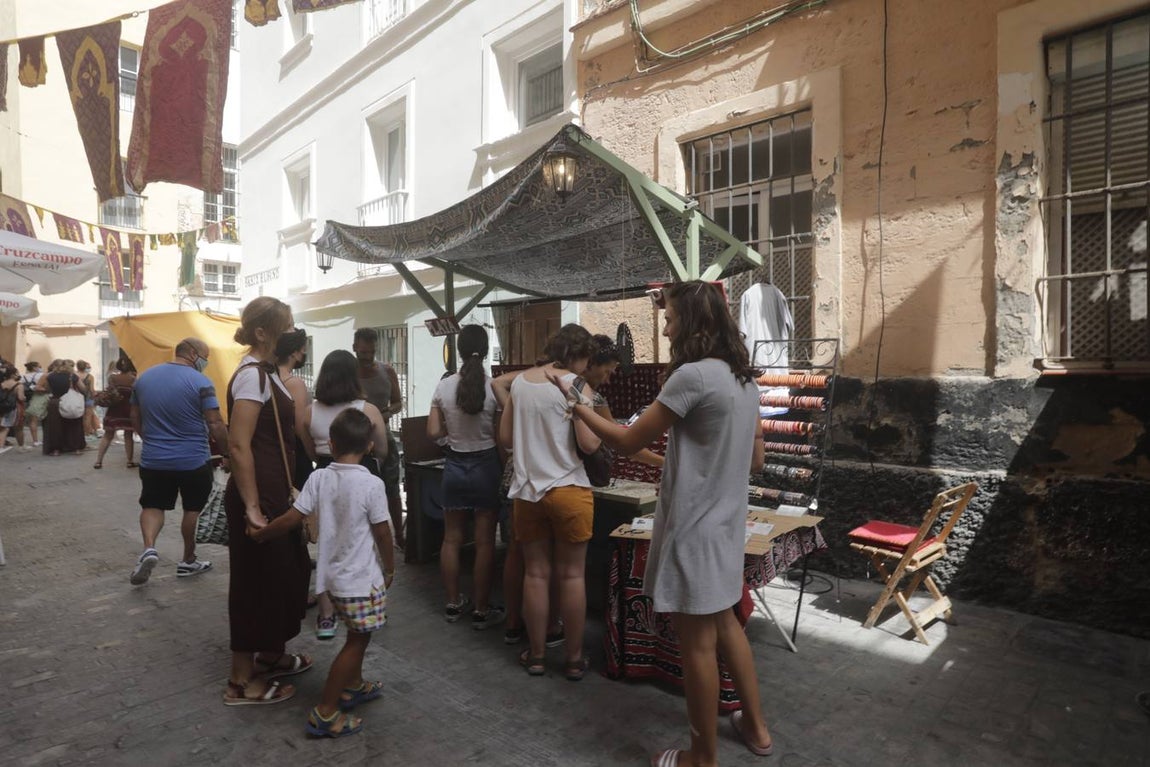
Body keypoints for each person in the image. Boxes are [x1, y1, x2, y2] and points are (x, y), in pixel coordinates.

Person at [547, 281, 771, 767]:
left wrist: (577, 404)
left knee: (698, 646)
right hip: (727, 527)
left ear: (693, 322)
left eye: (670, 319)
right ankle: (755, 727)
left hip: (695, 530)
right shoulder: (744, 380)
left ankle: (702, 757)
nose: (665, 328)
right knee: (727, 626)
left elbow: (627, 442)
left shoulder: (692, 376)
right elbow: (755, 460)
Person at [249, 408, 395, 738]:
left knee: (357, 634)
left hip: (332, 581)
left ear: (331, 443)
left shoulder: (318, 477)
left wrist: (263, 533)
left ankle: (353, 686)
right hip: (361, 582)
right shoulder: (372, 484)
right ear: (369, 446)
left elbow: (292, 518)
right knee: (357, 640)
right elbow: (383, 532)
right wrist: (389, 566)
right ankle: (326, 712)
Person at [223, 296, 312, 706]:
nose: (292, 332)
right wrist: (253, 506)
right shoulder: (251, 377)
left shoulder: (267, 373)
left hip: (275, 493)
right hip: (259, 496)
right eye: (286, 325)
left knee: (284, 575)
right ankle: (241, 680)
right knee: (254, 582)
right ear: (262, 332)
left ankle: (272, 653)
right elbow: (239, 444)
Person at [497, 323, 599, 680]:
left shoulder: (521, 383)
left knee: (536, 574)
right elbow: (589, 444)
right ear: (579, 356)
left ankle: (537, 656)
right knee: (572, 576)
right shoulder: (576, 384)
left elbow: (505, 437)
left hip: (528, 493)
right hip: (569, 490)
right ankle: (573, 660)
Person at [303, 349, 391, 640]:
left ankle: (326, 615)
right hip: (362, 470)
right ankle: (367, 600)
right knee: (365, 540)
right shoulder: (368, 410)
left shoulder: (309, 411)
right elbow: (382, 449)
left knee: (328, 540)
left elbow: (310, 450)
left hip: (326, 472)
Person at [127, 339, 229, 585]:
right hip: (193, 459)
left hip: (154, 459)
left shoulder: (144, 378)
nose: (206, 362)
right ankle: (188, 560)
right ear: (193, 354)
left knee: (152, 505)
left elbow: (134, 416)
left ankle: (149, 548)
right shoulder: (201, 382)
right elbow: (215, 422)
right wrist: (227, 452)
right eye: (205, 356)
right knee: (193, 508)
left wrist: (149, 439)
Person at [427, 325, 505, 629]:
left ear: (458, 351)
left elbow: (433, 431)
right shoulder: (493, 388)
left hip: (455, 466)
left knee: (451, 539)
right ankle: (481, 610)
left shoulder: (444, 386)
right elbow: (501, 437)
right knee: (485, 543)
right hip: (486, 466)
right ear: (485, 351)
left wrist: (450, 440)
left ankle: (452, 602)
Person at [352, 328, 406, 549]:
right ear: (354, 348)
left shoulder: (387, 371)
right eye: (363, 353)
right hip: (356, 438)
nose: (367, 357)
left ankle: (399, 536)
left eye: (371, 352)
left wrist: (386, 412)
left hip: (384, 436)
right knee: (359, 493)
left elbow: (398, 402)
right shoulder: (348, 373)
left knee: (392, 489)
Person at [582, 335, 665, 469]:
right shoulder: (593, 399)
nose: (607, 380)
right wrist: (664, 462)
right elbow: (621, 442)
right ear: (591, 364)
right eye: (607, 372)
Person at [274, 328, 313, 490]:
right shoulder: (294, 383)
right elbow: (300, 426)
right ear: (294, 353)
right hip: (294, 452)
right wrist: (312, 453)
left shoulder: (269, 376)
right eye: (303, 349)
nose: (304, 353)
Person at [93, 356, 138, 469]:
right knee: (128, 435)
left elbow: (110, 391)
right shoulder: (133, 379)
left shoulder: (112, 378)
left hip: (114, 409)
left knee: (108, 435)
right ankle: (129, 461)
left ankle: (98, 461)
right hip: (128, 409)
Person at [39, 359, 86, 456]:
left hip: (55, 402)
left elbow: (48, 389)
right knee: (74, 425)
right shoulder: (72, 376)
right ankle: (76, 448)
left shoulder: (50, 376)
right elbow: (83, 388)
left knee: (55, 427)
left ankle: (56, 450)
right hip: (70, 402)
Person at [0, 365, 26, 454]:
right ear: (12, 374)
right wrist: (25, 398)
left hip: (3, 407)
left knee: (3, 427)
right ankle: (21, 446)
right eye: (17, 373)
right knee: (19, 428)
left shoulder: (2, 383)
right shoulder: (19, 385)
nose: (18, 375)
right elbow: (21, 397)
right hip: (15, 407)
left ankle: (1, 446)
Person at [21, 361, 47, 447]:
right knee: (43, 419)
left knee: (31, 421)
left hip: (27, 399)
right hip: (38, 398)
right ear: (35, 367)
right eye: (39, 366)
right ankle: (45, 439)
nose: (41, 368)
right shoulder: (40, 375)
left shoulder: (23, 376)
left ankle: (35, 440)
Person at [77, 360, 99, 439]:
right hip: (88, 398)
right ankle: (87, 433)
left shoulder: (75, 376)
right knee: (88, 416)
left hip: (78, 398)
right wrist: (95, 396)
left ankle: (81, 432)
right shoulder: (90, 377)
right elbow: (92, 389)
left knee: (80, 417)